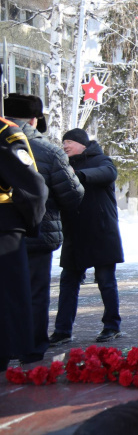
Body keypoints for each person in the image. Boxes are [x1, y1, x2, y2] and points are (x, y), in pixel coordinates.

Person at [4, 94, 84, 361]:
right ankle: (32, 350)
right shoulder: (49, 151)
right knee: (36, 293)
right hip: (37, 232)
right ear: (34, 118)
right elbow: (73, 193)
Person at [51, 128, 124, 344]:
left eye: (69, 142)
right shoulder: (63, 165)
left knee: (106, 281)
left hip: (101, 231)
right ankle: (62, 331)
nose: (65, 145)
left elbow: (108, 173)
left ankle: (112, 326)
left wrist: (79, 176)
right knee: (68, 283)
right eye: (63, 142)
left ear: (83, 144)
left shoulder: (102, 159)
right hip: (75, 233)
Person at [0, 97, 48, 371]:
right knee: (12, 300)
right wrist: (31, 224)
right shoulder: (4, 133)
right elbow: (34, 189)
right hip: (4, 231)